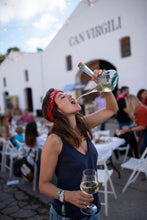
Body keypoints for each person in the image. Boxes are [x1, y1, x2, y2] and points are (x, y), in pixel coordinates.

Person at [39, 69, 118, 220]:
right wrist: (66, 195)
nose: (69, 95)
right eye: (62, 97)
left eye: (66, 93)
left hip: (93, 210)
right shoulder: (54, 140)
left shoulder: (83, 124)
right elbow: (43, 184)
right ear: (57, 111)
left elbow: (111, 109)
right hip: (67, 215)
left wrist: (104, 86)